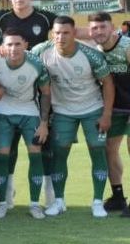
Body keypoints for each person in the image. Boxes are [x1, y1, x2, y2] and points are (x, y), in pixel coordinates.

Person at [32, 16, 114, 218]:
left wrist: (106, 114)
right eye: (57, 32)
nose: (60, 37)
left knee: (97, 152)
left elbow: (108, 84)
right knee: (60, 154)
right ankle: (59, 201)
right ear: (52, 33)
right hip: (62, 112)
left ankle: (97, 202)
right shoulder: (41, 52)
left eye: (66, 32)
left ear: (74, 33)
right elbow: (19, 57)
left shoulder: (91, 55)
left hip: (92, 109)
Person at [0, 30, 52, 219]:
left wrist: (44, 123)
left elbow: (46, 92)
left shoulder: (36, 64)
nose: (13, 48)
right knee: (1, 156)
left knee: (35, 154)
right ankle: (2, 203)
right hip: (1, 113)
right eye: (9, 45)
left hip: (29, 112)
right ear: (2, 46)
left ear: (26, 45)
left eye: (17, 44)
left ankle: (35, 204)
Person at [87, 12, 130, 214]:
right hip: (115, 108)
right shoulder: (95, 51)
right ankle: (118, 197)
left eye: (103, 27)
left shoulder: (127, 46)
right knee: (109, 150)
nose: (99, 32)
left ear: (112, 28)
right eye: (94, 28)